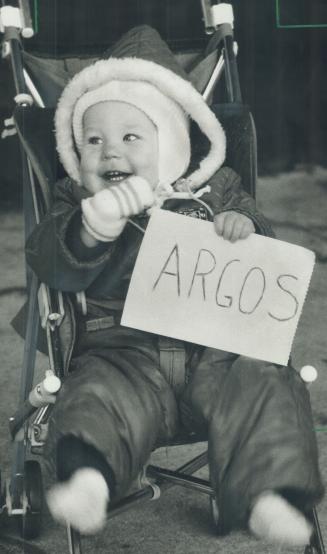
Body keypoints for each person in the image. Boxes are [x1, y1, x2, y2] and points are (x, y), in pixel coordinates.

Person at [26, 26, 323, 546]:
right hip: (124, 353)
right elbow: (49, 261)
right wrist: (89, 232)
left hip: (218, 353)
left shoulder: (218, 188)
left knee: (268, 384)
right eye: (92, 140)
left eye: (130, 137)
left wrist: (245, 229)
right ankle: (90, 478)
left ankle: (272, 496)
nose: (109, 151)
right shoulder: (76, 204)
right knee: (93, 394)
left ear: (173, 141)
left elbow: (268, 260)